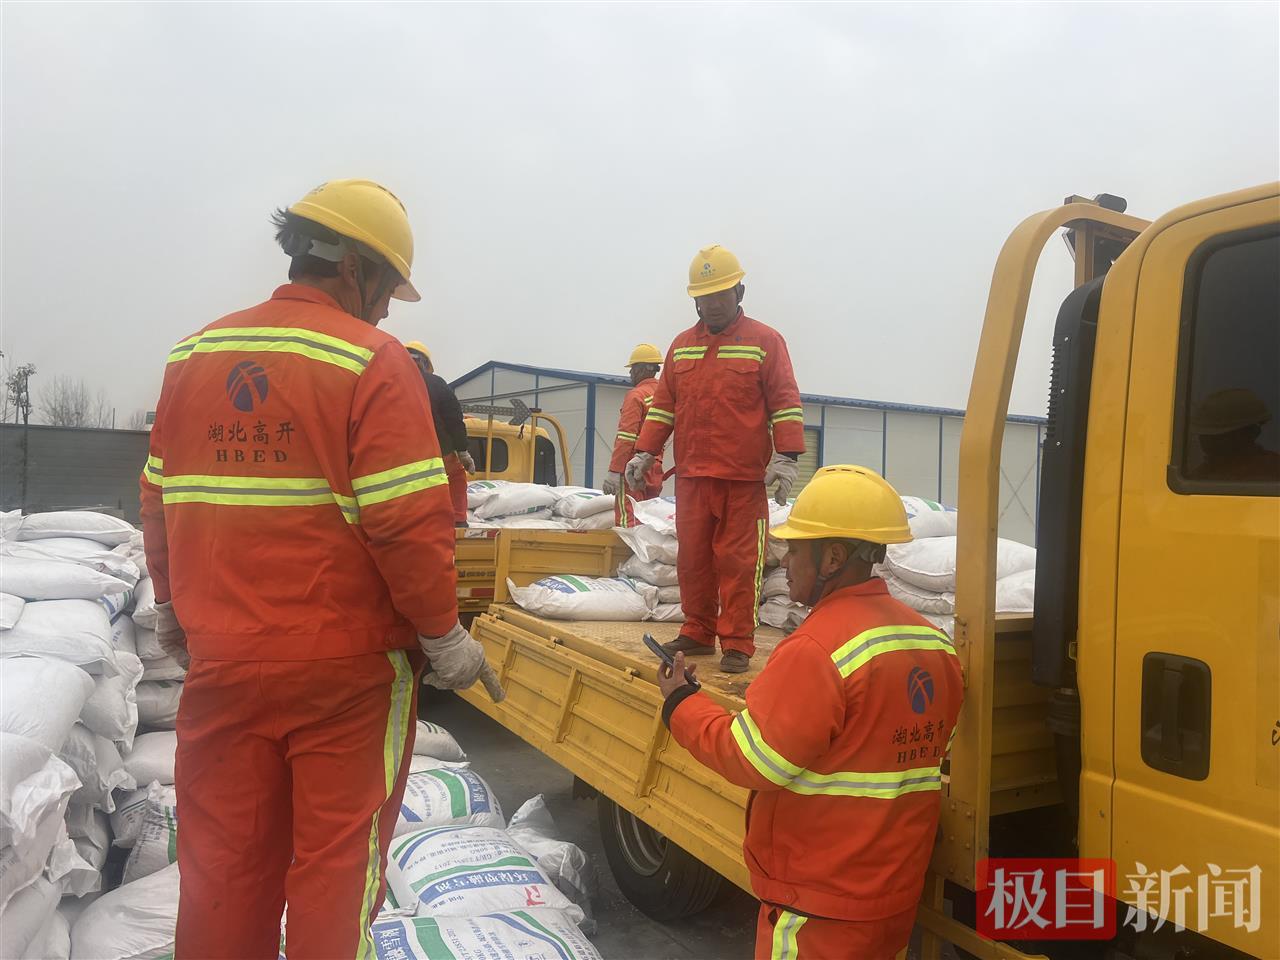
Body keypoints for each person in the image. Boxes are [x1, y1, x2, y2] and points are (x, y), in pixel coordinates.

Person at [140, 179, 489, 959]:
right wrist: (444, 635)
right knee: (335, 875)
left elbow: (159, 499)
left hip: (223, 664)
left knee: (224, 872)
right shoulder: (371, 361)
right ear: (356, 268)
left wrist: (169, 608)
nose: (387, 311)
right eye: (388, 290)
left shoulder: (194, 356)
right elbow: (407, 524)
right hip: (347, 678)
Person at [656, 465, 965, 960]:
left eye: (797, 549)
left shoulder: (817, 649)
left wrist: (680, 703)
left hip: (818, 904)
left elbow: (753, 760)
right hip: (891, 896)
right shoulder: (934, 643)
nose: (786, 558)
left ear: (834, 558)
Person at [627, 245, 804, 673]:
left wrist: (787, 456)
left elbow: (784, 402)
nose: (713, 304)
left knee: (739, 564)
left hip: (743, 481)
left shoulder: (765, 342)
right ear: (695, 301)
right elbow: (664, 407)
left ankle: (738, 642)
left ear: (739, 292)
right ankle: (698, 631)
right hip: (693, 478)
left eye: (721, 295)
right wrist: (644, 451)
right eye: (705, 297)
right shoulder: (682, 347)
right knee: (693, 560)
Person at [405, 341, 475, 526]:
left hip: (399, 455)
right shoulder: (436, 383)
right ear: (425, 363)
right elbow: (454, 419)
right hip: (437, 452)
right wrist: (462, 451)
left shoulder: (387, 382)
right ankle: (458, 520)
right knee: (455, 475)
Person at [601, 343, 666, 527]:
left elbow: (626, 437)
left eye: (632, 368)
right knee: (649, 517)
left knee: (628, 518)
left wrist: (615, 471)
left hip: (632, 468)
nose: (630, 373)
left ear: (641, 369)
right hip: (654, 465)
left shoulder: (636, 395)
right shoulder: (663, 394)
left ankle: (628, 545)